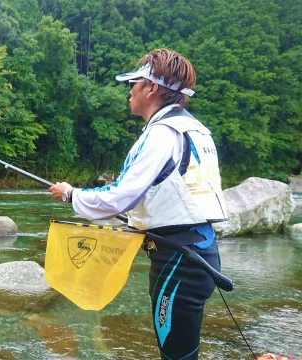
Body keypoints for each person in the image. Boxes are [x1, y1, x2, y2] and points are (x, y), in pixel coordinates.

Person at [48, 48, 228, 360]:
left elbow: (119, 196)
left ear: (152, 88)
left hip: (179, 261)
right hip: (196, 254)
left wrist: (70, 194)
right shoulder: (195, 129)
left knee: (175, 354)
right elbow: (170, 196)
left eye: (135, 82)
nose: (130, 89)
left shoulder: (161, 134)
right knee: (181, 351)